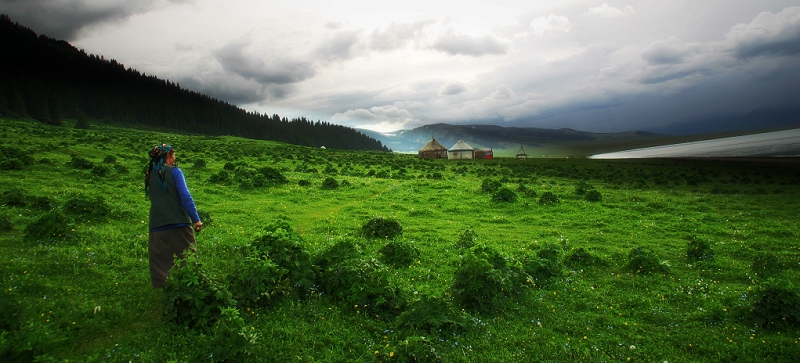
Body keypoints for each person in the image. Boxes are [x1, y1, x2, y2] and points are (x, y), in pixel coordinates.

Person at [144, 143, 203, 288]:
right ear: (168, 156)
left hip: (157, 224)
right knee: (188, 257)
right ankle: (190, 285)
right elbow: (185, 197)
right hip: (179, 222)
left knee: (160, 261)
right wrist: (196, 220)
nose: (174, 158)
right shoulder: (175, 172)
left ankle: (163, 288)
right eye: (173, 155)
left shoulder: (149, 174)